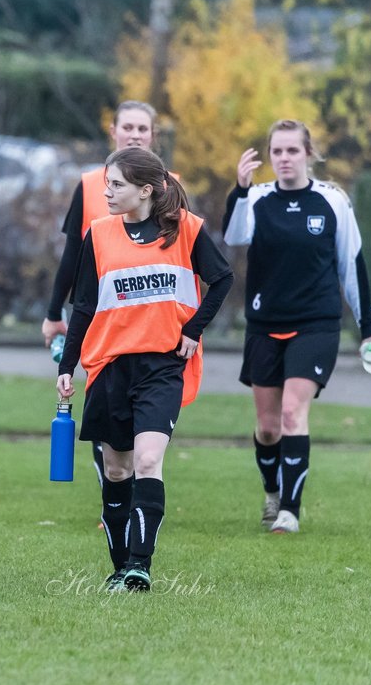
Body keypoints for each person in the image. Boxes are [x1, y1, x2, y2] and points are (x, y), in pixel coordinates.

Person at [57, 147, 231, 592]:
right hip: (111, 366)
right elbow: (84, 304)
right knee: (116, 471)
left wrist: (194, 328)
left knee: (149, 459)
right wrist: (68, 364)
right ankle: (119, 567)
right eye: (107, 184)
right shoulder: (98, 235)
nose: (107, 192)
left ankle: (139, 566)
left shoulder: (186, 231)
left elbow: (222, 278)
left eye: (116, 185)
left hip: (163, 366)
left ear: (146, 190)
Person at [222, 119, 371, 534]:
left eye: (292, 151)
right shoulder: (257, 198)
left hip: (316, 322)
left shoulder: (332, 201)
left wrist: (369, 328)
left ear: (309, 154)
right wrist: (239, 189)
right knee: (268, 425)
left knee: (294, 412)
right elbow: (234, 237)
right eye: (277, 151)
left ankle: (290, 511)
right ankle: (273, 494)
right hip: (264, 324)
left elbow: (353, 264)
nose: (284, 159)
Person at [42, 100, 164, 484]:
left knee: (145, 419)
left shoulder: (169, 185)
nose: (135, 135)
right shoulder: (91, 184)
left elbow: (184, 256)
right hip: (98, 312)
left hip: (149, 318)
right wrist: (53, 313)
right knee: (105, 405)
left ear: (153, 136)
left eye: (142, 129)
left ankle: (137, 484)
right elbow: (73, 254)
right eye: (128, 127)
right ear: (113, 132)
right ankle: (113, 489)